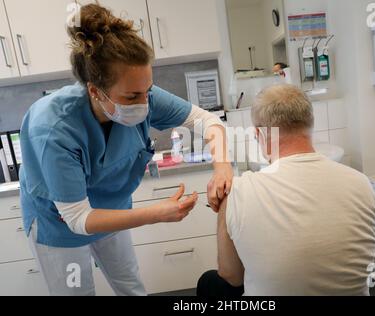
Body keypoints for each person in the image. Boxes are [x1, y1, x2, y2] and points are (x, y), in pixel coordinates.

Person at [19, 3, 232, 296]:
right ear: (95, 90)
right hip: (60, 225)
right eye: (133, 96)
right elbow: (79, 218)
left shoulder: (143, 93)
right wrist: (157, 213)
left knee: (130, 284)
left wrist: (222, 167)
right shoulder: (55, 129)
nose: (145, 103)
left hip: (110, 210)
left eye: (147, 91)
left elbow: (204, 119)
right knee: (77, 292)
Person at [197, 84, 375, 296]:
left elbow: (232, 276)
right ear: (311, 124)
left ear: (259, 134)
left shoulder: (237, 193)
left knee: (209, 282)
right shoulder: (362, 184)